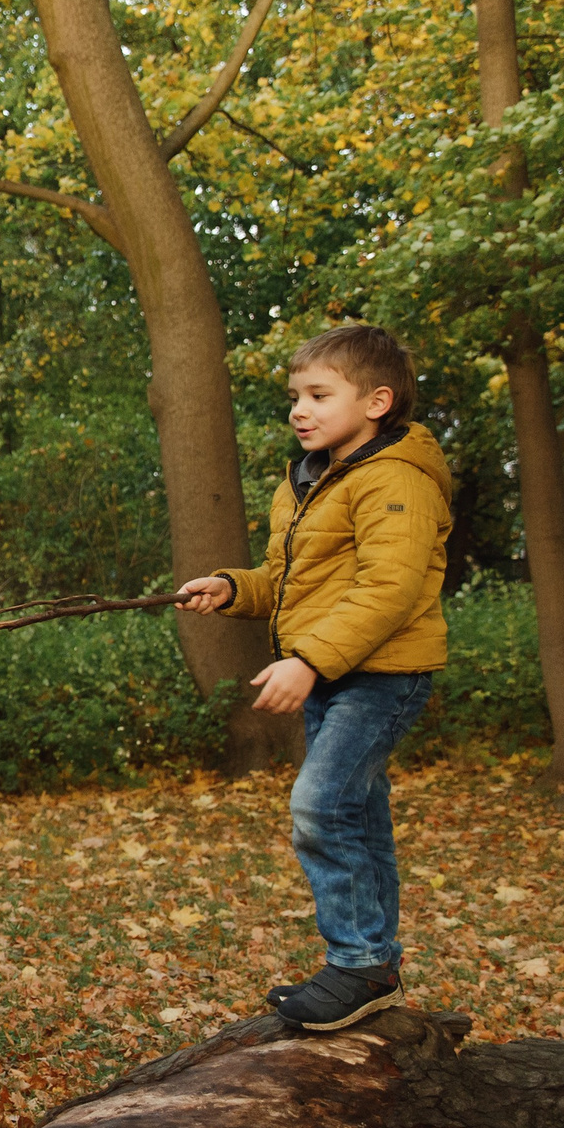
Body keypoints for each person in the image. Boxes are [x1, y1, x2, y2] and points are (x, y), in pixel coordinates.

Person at [175, 323, 452, 1033]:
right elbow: (298, 583)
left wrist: (308, 660)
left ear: (377, 401)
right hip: (339, 668)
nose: (300, 408)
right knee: (358, 813)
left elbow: (386, 591)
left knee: (321, 806)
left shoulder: (394, 479)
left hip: (381, 673)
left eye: (319, 394)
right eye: (295, 395)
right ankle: (375, 966)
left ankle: (358, 962)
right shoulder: (310, 481)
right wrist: (235, 589)